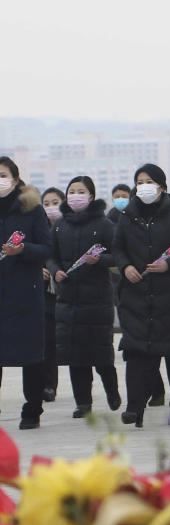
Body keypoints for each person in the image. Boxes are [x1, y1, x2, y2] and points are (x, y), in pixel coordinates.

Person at [111, 162, 170, 427]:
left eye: (149, 182)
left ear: (161, 186)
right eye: (140, 182)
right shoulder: (127, 215)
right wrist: (125, 267)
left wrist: (169, 265)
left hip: (168, 295)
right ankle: (134, 407)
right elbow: (117, 247)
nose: (144, 187)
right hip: (135, 296)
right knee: (136, 353)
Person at [47, 175, 121, 418]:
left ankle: (112, 391)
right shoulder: (60, 225)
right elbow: (51, 255)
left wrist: (100, 260)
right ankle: (83, 403)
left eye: (80, 191)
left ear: (90, 195)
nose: (75, 196)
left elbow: (119, 255)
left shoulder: (104, 225)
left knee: (100, 354)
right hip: (68, 299)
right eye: (71, 192)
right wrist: (56, 270)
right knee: (75, 356)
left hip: (97, 299)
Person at [0, 157, 53, 429]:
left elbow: (47, 248)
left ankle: (32, 409)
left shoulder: (31, 210)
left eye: (3, 174)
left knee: (32, 355)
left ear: (16, 179)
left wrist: (23, 251)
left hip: (25, 293)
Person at [40, 188, 65, 402]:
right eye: (46, 204)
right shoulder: (38, 231)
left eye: (54, 202)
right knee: (47, 342)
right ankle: (48, 385)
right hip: (46, 294)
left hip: (67, 293)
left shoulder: (68, 228)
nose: (50, 207)